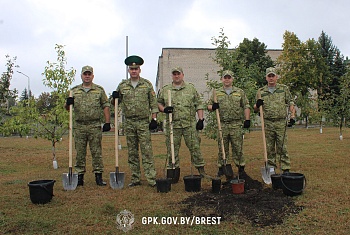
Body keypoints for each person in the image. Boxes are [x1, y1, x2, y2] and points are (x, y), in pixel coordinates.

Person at [111, 55, 158, 187]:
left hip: (143, 122)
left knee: (146, 151)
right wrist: (114, 96)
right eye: (131, 69)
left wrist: (154, 119)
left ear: (140, 70)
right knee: (132, 152)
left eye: (136, 68)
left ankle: (151, 178)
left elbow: (153, 103)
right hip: (130, 122)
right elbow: (115, 103)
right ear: (128, 70)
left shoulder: (146, 85)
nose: (134, 71)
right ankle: (135, 178)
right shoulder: (122, 86)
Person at [157, 67, 211, 179]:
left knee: (195, 148)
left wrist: (201, 119)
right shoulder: (166, 90)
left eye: (178, 74)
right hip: (173, 125)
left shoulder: (190, 89)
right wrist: (164, 109)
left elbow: (199, 104)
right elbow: (158, 103)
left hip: (189, 124)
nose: (176, 76)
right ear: (172, 76)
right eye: (174, 74)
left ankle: (201, 170)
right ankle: (173, 172)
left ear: (183, 75)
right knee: (172, 149)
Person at [65, 65, 111, 186]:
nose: (87, 76)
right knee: (80, 152)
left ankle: (98, 177)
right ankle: (79, 177)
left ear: (92, 76)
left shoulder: (99, 90)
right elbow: (68, 109)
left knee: (96, 152)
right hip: (79, 126)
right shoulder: (74, 91)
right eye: (85, 74)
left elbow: (106, 106)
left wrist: (107, 122)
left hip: (94, 125)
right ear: (81, 76)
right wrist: (68, 103)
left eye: (89, 74)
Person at [208, 70, 251, 180]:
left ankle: (241, 168)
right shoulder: (216, 93)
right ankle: (222, 168)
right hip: (222, 124)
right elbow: (208, 105)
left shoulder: (239, 92)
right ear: (222, 79)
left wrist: (247, 119)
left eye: (229, 77)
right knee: (222, 147)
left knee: (238, 147)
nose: (227, 79)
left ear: (232, 79)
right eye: (225, 77)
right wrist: (213, 107)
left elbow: (246, 105)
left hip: (236, 124)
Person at [253, 67, 296, 173]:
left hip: (281, 122)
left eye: (273, 76)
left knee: (282, 146)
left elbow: (290, 103)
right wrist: (257, 105)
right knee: (269, 147)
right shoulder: (261, 91)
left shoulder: (283, 89)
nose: (271, 78)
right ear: (266, 78)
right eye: (269, 76)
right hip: (267, 123)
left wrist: (292, 116)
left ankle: (285, 169)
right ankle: (271, 169)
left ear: (276, 77)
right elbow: (255, 108)